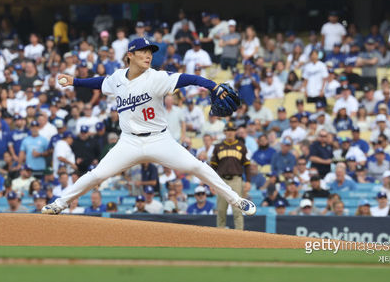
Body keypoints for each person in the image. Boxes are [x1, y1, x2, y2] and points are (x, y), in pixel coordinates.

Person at [42, 38, 256, 216]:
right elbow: (101, 82)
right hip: (129, 142)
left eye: (150, 52)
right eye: (143, 51)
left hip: (159, 140)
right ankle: (60, 203)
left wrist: (213, 85)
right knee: (98, 175)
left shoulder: (157, 77)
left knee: (197, 167)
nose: (148, 55)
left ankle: (237, 201)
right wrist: (75, 81)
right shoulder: (117, 78)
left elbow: (188, 78)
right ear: (130, 55)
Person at [210, 121, 250, 230]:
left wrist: (248, 181)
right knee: (221, 210)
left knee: (238, 210)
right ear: (225, 132)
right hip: (222, 180)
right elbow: (213, 167)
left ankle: (240, 235)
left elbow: (247, 165)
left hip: (236, 180)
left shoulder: (241, 147)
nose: (230, 133)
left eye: (232, 131)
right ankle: (220, 236)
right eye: (228, 130)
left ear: (235, 132)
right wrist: (211, 183)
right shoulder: (218, 147)